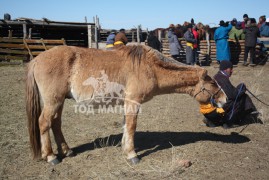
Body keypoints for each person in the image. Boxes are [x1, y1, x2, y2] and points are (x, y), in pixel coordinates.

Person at [201, 60, 259, 128]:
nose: (232, 71)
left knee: (242, 95)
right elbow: (232, 95)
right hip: (221, 104)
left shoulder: (217, 76)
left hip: (216, 103)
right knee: (243, 97)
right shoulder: (222, 79)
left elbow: (229, 91)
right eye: (230, 69)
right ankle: (230, 120)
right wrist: (242, 87)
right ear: (226, 69)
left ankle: (250, 114)